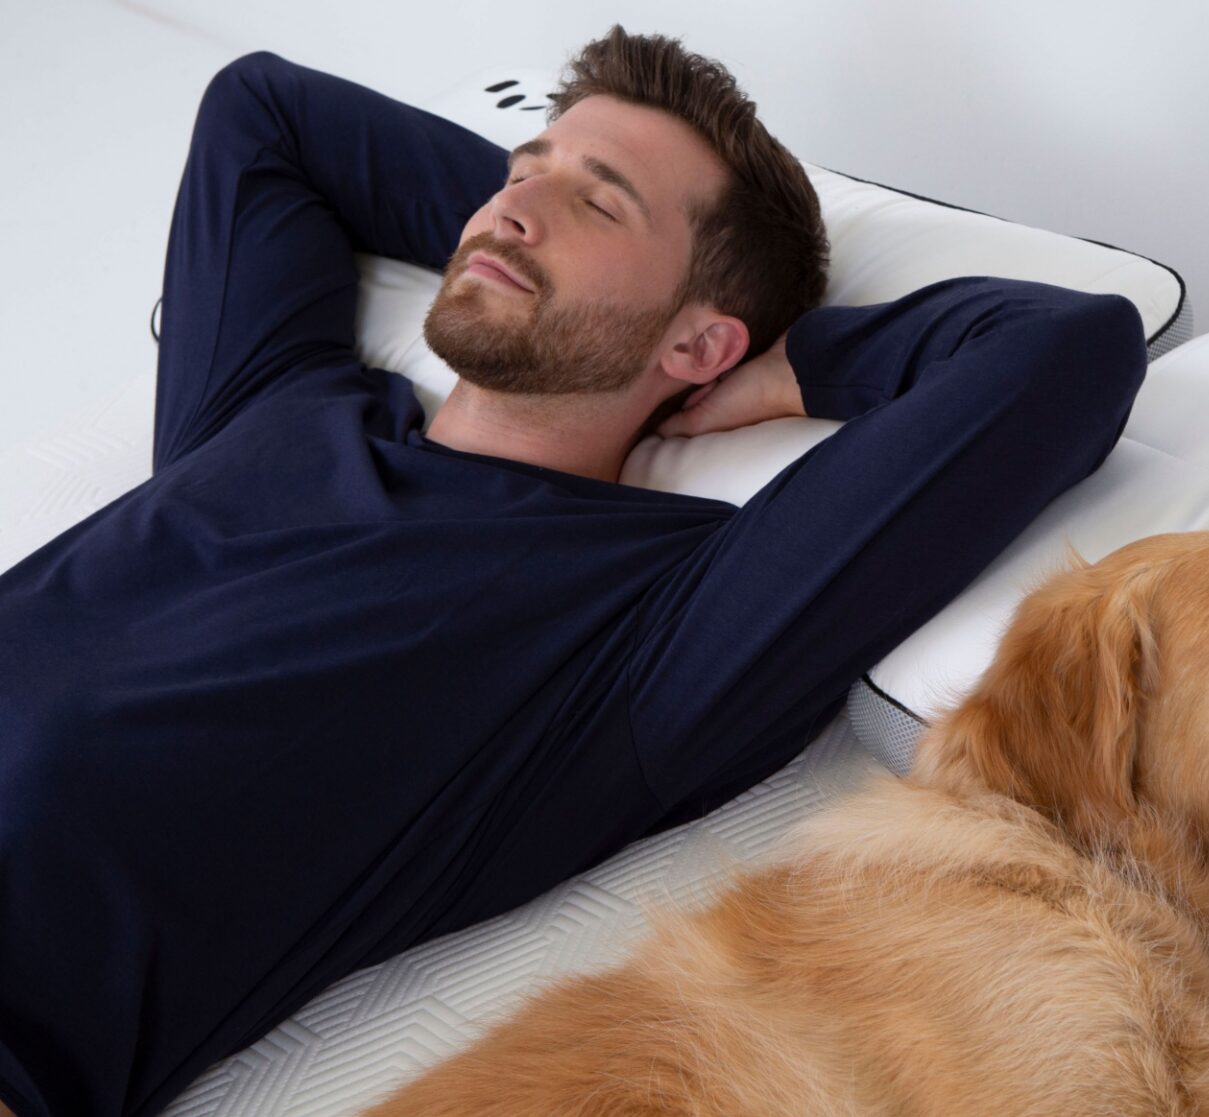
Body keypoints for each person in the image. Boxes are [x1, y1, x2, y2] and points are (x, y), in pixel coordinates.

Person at [0, 25, 1146, 1117]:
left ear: (699, 342)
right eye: (519, 168)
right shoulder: (274, 404)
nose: (510, 206)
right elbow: (266, 112)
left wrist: (795, 357)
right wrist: (542, 227)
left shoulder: (640, 646)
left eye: (598, 200)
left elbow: (1070, 350)